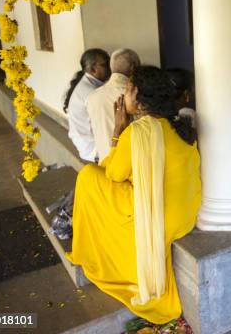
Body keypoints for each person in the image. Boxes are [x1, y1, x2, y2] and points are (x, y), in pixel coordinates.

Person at [66, 66, 201, 324]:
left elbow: (113, 173)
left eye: (128, 89)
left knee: (88, 176)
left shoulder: (138, 132)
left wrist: (118, 130)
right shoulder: (180, 126)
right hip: (185, 215)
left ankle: (88, 247)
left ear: (139, 98)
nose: (124, 94)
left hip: (158, 219)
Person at [87, 49, 141, 164]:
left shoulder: (92, 97)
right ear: (133, 67)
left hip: (104, 163)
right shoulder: (135, 98)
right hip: (128, 166)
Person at [64, 48, 110, 162]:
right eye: (105, 64)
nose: (110, 67)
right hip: (93, 150)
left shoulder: (89, 84)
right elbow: (105, 124)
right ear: (93, 69)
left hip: (86, 144)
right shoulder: (91, 92)